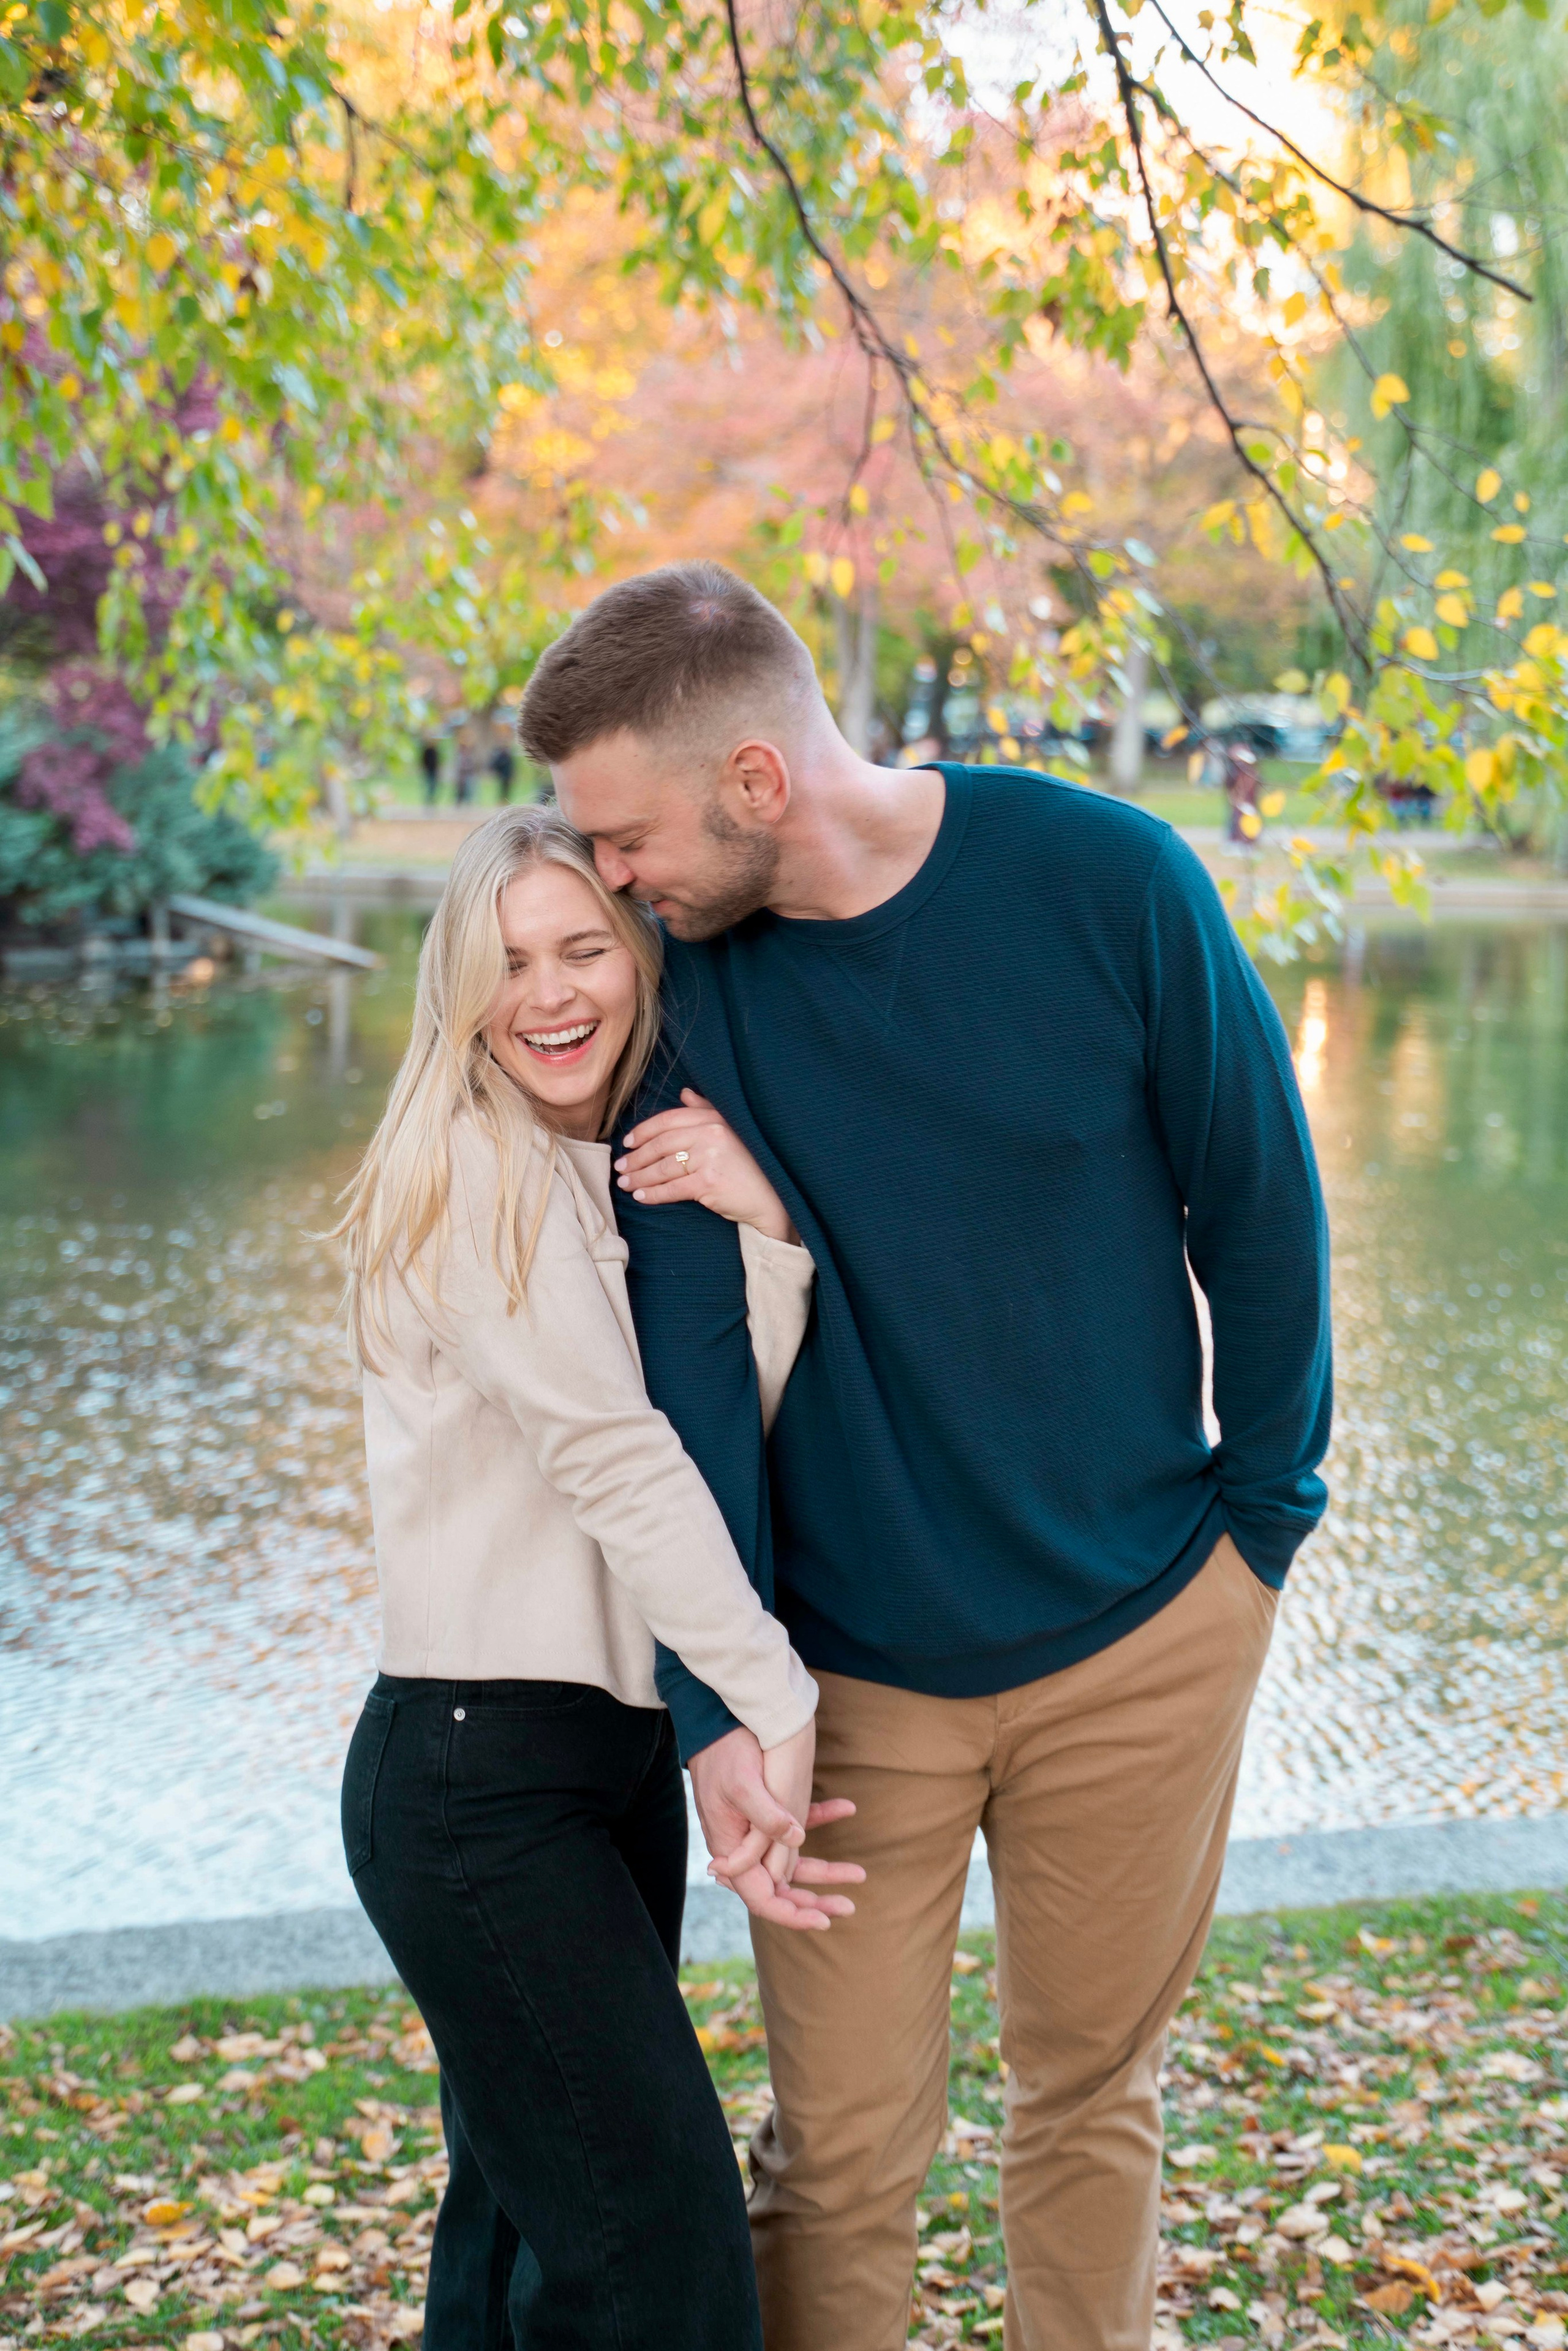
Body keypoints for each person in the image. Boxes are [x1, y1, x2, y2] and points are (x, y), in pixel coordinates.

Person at [519, 562, 1332, 2351]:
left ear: (753, 780)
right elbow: (688, 1374)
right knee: (839, 2155)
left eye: (628, 837)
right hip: (840, 1688)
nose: (614, 879)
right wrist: (722, 1697)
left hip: (1145, 1636)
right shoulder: (677, 991)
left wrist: (1262, 1525)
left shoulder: (1111, 883)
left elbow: (1261, 1210)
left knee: (1090, 2102)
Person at [333, 804, 863, 2351]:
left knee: (524, 2223)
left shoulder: (594, 1167)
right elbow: (618, 1461)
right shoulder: (473, 1164)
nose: (551, 993)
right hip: (478, 1772)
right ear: (456, 985)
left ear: (638, 958)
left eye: (584, 948)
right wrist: (770, 1699)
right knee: (656, 2247)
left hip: (595, 1756)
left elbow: (704, 1438)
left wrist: (763, 1224)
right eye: (508, 962)